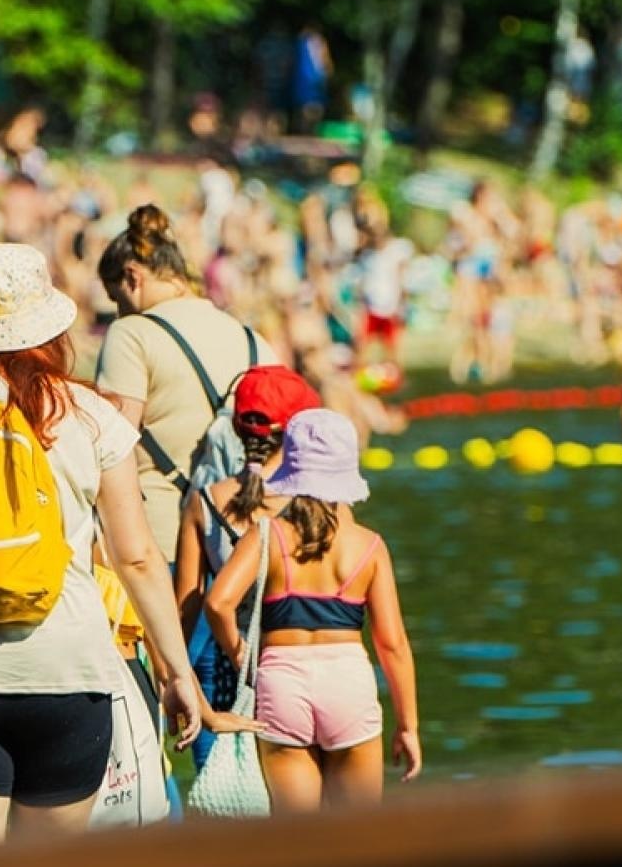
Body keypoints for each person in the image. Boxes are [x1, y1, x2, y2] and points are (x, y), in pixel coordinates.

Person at [0, 243, 202, 846]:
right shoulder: (86, 413)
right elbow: (135, 558)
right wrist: (176, 670)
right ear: (50, 329)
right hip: (68, 675)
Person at [95, 204, 278, 768]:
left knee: (154, 723)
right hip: (251, 550)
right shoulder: (252, 339)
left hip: (161, 545)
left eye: (116, 297)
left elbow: (111, 445)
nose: (117, 310)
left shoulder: (133, 334)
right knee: (243, 717)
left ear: (134, 278)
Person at [205, 409, 419, 812]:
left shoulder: (267, 534)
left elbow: (218, 604)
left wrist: (243, 657)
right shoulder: (369, 546)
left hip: (281, 683)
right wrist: (408, 725)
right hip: (347, 685)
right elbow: (392, 645)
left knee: (298, 846)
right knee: (355, 845)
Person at [174, 366, 320, 765]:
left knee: (230, 803)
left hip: (229, 677)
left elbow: (185, 610)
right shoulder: (314, 504)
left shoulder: (203, 502)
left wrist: (175, 685)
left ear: (237, 429)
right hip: (300, 669)